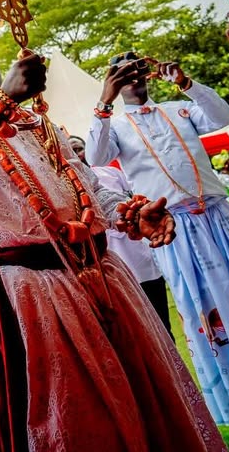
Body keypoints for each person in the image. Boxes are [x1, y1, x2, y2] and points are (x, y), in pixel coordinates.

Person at [0, 35, 221, 451]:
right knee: (73, 418)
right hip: (25, 291)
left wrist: (128, 214)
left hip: (100, 276)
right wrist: (0, 102)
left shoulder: (39, 123)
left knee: (142, 400)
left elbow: (88, 188)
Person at [86, 49, 229, 426]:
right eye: (123, 73)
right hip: (174, 230)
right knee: (205, 308)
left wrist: (186, 83)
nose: (134, 78)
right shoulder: (117, 128)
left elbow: (226, 116)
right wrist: (104, 101)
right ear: (114, 80)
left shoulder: (179, 108)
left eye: (138, 69)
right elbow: (94, 155)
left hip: (220, 217)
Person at [67, 135, 172, 336]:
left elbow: (127, 200)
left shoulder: (110, 173)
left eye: (80, 148)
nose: (77, 154)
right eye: (72, 150)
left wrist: (134, 213)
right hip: (109, 267)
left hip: (140, 259)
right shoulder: (65, 180)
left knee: (163, 327)